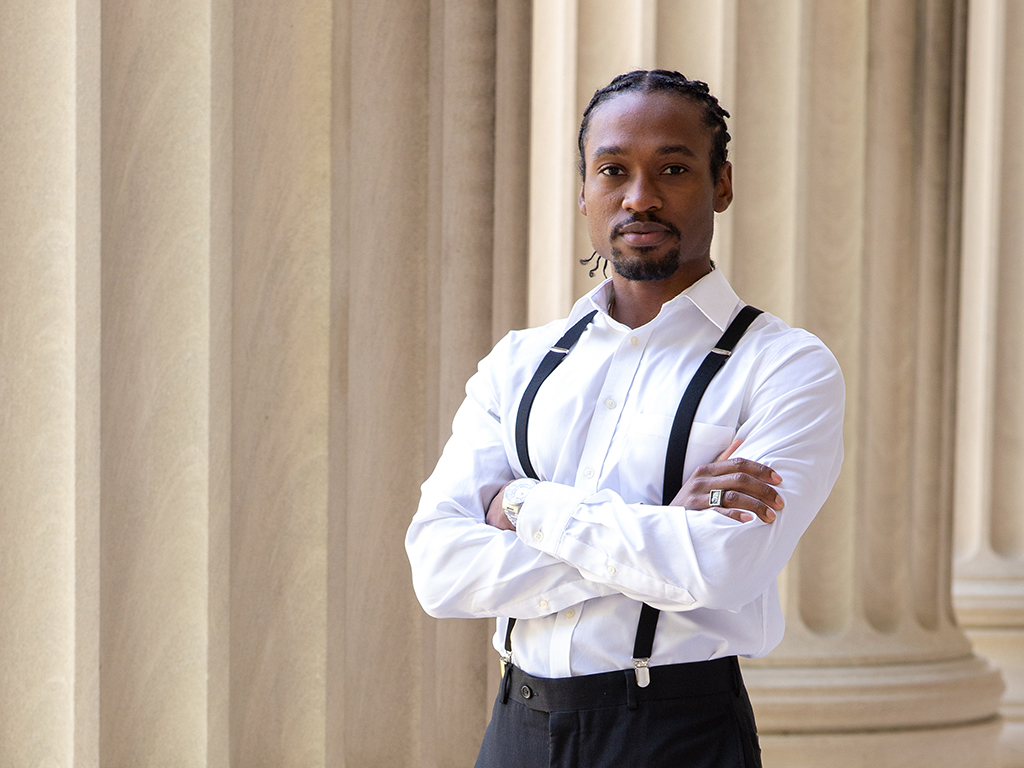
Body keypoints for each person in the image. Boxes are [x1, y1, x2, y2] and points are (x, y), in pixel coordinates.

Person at [405, 70, 844, 768]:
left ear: (721, 184)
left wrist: (524, 503)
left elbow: (724, 567)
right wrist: (663, 531)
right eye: (613, 170)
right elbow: (440, 571)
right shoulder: (518, 363)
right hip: (517, 732)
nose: (640, 196)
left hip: (680, 732)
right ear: (583, 191)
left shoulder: (786, 366)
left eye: (673, 168)